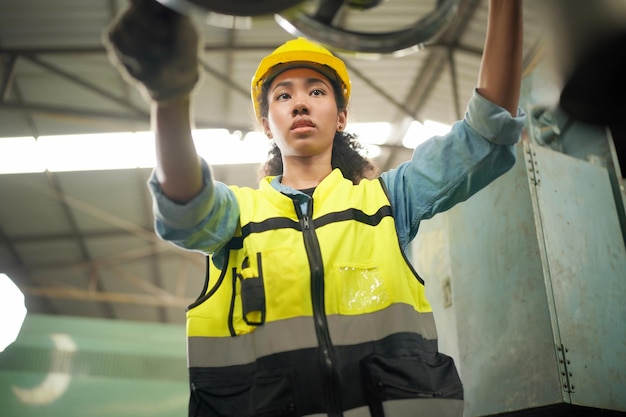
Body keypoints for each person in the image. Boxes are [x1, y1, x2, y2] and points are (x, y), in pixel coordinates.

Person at [103, 0, 525, 416]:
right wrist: (170, 97)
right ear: (268, 125)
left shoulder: (388, 201)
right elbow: (185, 206)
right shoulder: (238, 218)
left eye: (316, 91)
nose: (300, 103)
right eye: (283, 96)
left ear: (341, 117)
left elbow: (486, 131)